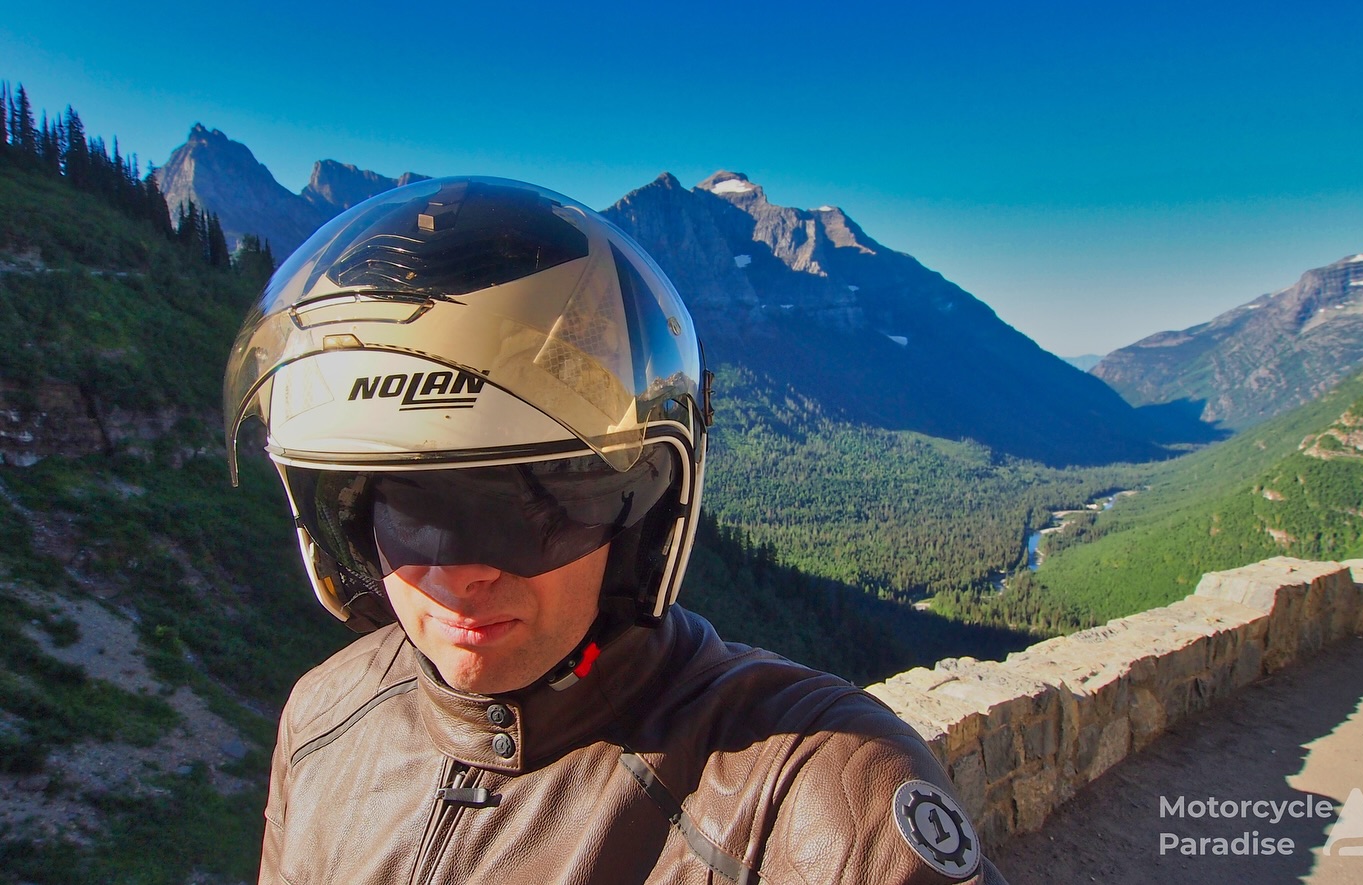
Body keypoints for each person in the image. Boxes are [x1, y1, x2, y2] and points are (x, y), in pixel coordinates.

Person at [224, 176, 1007, 884]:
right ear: (348, 528)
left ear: (641, 517)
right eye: (410, 513)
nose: (461, 574)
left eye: (526, 510)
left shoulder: (801, 792)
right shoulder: (320, 718)